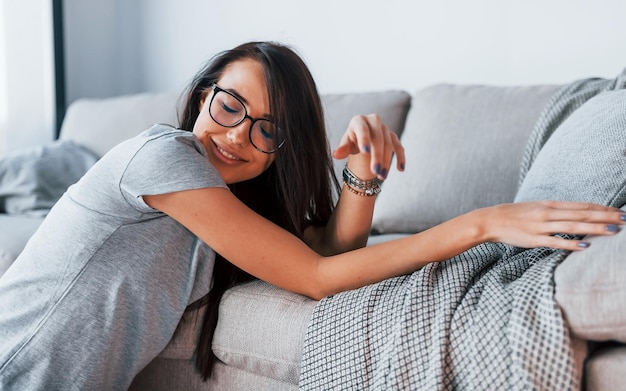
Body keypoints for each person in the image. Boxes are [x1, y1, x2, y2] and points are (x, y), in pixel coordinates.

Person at [0, 41, 623, 390]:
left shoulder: (223, 207)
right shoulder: (162, 156)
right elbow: (314, 278)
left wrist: (362, 177)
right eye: (228, 106)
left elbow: (327, 255)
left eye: (266, 129)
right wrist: (479, 224)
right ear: (201, 97)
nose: (237, 136)